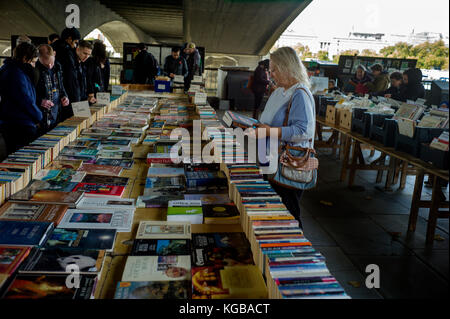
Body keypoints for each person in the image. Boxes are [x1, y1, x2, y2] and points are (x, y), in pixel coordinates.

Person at [256, 46, 316, 227]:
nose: (271, 74)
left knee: (288, 214)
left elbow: (302, 131)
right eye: (270, 70)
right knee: (274, 212)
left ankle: (296, 251)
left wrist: (267, 131)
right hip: (270, 160)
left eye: (274, 70)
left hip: (286, 163)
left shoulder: (299, 94)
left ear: (287, 68)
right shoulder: (279, 91)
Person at [0, 43, 42, 153]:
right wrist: (38, 115)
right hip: (19, 124)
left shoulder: (12, 70)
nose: (33, 66)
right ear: (24, 58)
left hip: (14, 122)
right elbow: (25, 100)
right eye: (33, 62)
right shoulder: (15, 74)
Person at [35, 44, 70, 133]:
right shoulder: (35, 69)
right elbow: (29, 93)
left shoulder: (58, 67)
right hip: (42, 115)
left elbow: (61, 86)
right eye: (46, 64)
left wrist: (65, 96)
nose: (50, 66)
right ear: (39, 58)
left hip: (56, 112)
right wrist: (39, 101)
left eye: (51, 63)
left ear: (54, 54)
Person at [59, 38, 94, 121]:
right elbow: (71, 85)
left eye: (89, 55)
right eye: (85, 53)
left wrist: (85, 98)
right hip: (70, 104)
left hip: (79, 102)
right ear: (77, 49)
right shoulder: (69, 61)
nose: (86, 57)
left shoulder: (80, 63)